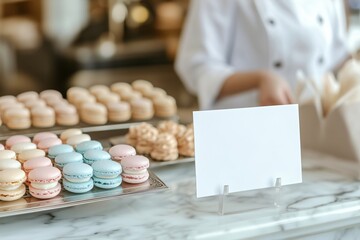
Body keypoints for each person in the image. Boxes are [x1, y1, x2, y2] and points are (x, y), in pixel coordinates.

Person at [175, 0, 350, 110]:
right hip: (245, 128)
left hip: (314, 129)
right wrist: (260, 79)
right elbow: (198, 67)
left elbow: (337, 59)